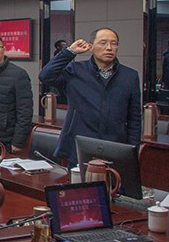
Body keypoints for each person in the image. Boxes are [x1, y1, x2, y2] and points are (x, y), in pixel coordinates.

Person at [39, 27, 142, 166]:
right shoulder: (75, 70)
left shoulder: (130, 76)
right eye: (103, 43)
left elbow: (134, 118)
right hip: (79, 144)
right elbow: (45, 76)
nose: (109, 48)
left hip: (116, 146)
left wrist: (132, 150)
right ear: (91, 47)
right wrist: (69, 52)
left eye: (114, 43)